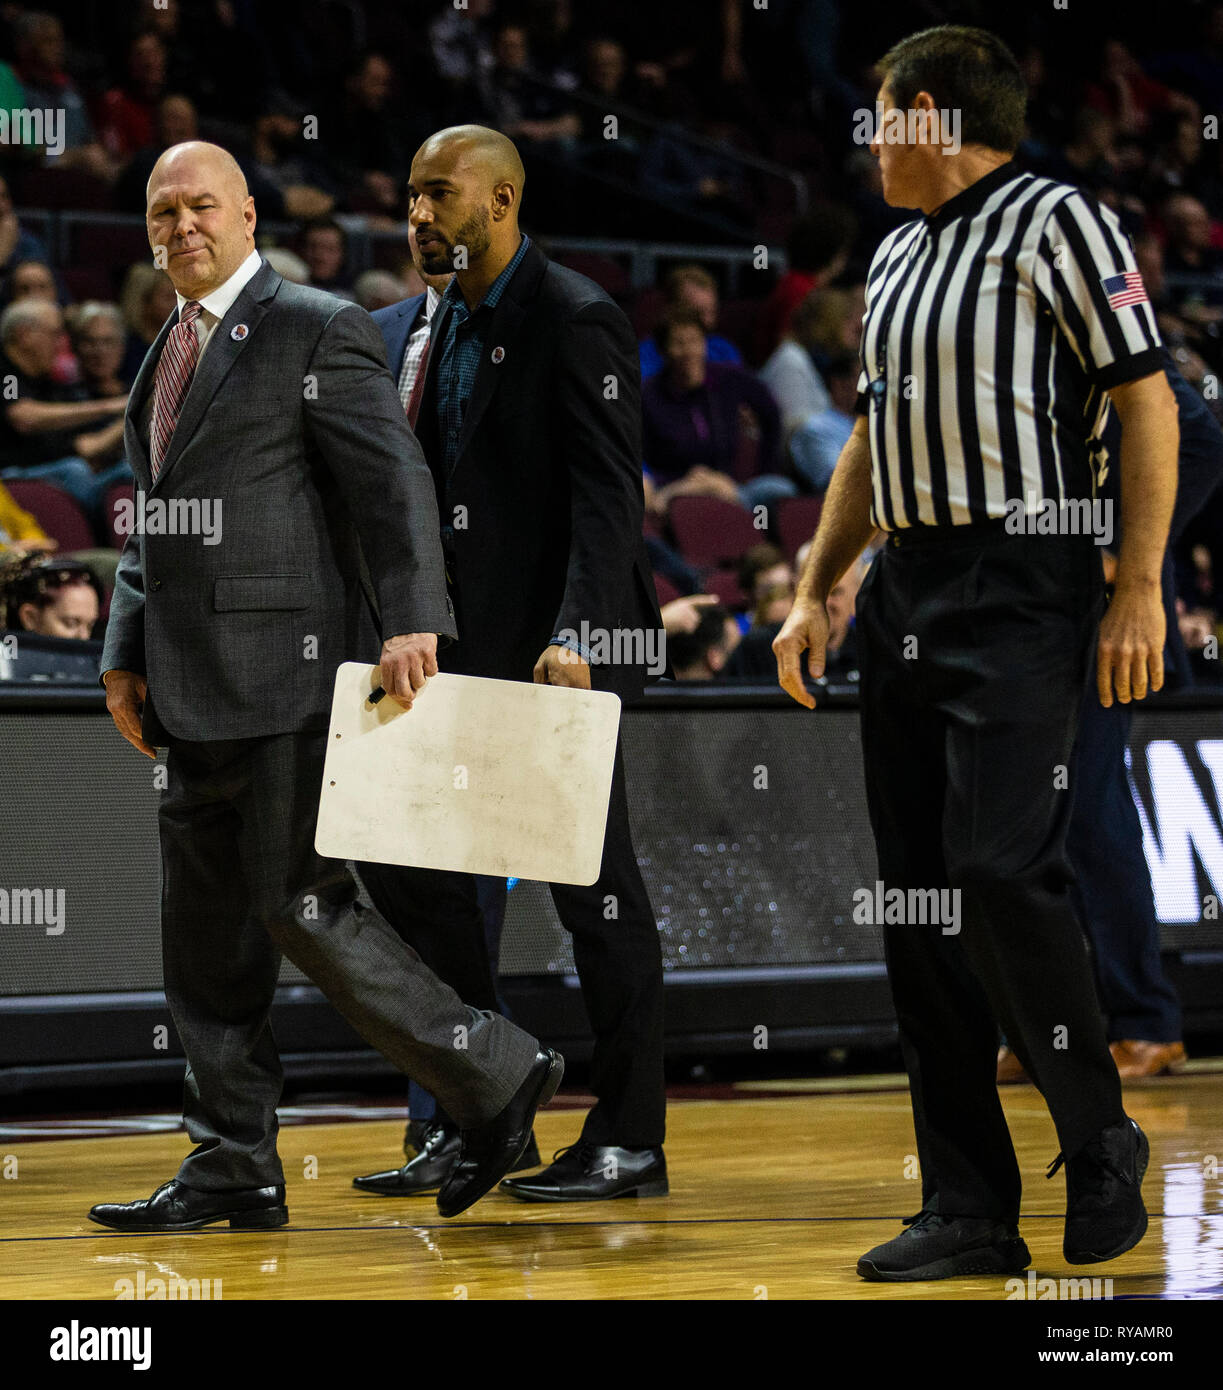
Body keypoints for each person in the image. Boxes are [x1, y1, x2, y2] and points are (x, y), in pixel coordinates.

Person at [88, 140, 562, 1233]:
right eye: (162, 212)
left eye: (200, 205)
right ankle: (231, 1166)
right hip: (182, 688)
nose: (181, 226)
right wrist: (123, 646)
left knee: (305, 908)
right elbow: (147, 518)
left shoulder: (316, 323)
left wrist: (411, 616)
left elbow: (392, 478)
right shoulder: (164, 346)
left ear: (250, 214)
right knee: (205, 943)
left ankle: (494, 1066)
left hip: (286, 680)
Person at [774, 25, 1174, 1282]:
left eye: (879, 115)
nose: (867, 139)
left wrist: (1138, 588)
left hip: (1023, 581)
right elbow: (869, 437)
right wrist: (815, 582)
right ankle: (965, 1201)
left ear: (928, 118)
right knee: (919, 902)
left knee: (1000, 869)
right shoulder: (893, 254)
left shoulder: (1060, 221)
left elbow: (1144, 399)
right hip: (905, 584)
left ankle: (1097, 1133)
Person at [351, 125, 668, 1206]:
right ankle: (478, 1113)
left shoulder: (573, 315)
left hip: (548, 659)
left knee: (595, 896)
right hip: (442, 655)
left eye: (439, 193)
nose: (419, 214)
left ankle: (630, 1137)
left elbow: (605, 498)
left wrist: (577, 631)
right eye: (410, 194)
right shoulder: (410, 327)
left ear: (501, 199)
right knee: (424, 892)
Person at [643, 305, 792, 519]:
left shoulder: (727, 378)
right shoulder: (649, 395)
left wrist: (764, 468)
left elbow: (770, 411)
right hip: (672, 487)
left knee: (779, 488)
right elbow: (640, 454)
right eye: (679, 343)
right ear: (663, 351)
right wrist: (686, 484)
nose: (689, 351)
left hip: (728, 485)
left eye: (695, 341)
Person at [0, 300, 130, 521]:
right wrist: (111, 406)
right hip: (12, 474)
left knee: (129, 470)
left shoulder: (45, 383)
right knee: (75, 470)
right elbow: (22, 415)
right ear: (24, 335)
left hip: (54, 469)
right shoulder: (7, 375)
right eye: (54, 334)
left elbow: (82, 446)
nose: (62, 344)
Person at [639, 264, 743, 381]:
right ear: (672, 307)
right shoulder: (645, 354)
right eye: (697, 313)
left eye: (712, 312)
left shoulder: (724, 350)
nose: (707, 321)